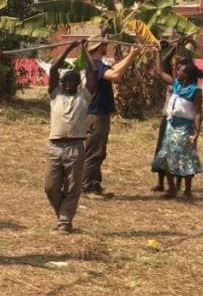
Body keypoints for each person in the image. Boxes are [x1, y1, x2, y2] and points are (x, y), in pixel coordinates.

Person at [44, 40, 96, 234]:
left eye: (72, 82)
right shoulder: (55, 95)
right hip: (54, 147)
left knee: (73, 188)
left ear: (78, 84)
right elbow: (53, 70)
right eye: (65, 81)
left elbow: (93, 72)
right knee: (50, 187)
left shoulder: (84, 97)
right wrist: (68, 48)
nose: (67, 84)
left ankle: (64, 221)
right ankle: (62, 214)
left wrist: (84, 50)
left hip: (75, 147)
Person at [81, 42, 139, 198]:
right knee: (94, 152)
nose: (106, 46)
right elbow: (115, 75)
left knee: (98, 151)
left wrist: (131, 55)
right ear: (98, 47)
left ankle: (95, 185)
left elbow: (114, 69)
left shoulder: (98, 64)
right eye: (104, 44)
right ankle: (87, 187)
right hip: (96, 115)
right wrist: (132, 55)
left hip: (99, 114)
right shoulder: (95, 65)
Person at [152, 62, 203, 198]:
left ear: (186, 74)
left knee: (186, 157)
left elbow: (198, 113)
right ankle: (172, 188)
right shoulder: (176, 85)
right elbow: (159, 72)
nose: (177, 72)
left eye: (180, 70)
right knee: (166, 156)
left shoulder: (195, 90)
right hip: (171, 126)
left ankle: (187, 190)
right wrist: (157, 53)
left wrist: (196, 132)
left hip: (185, 128)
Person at [151, 41, 192, 192]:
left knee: (180, 153)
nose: (176, 68)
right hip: (167, 119)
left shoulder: (188, 86)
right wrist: (173, 47)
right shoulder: (173, 81)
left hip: (182, 123)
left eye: (180, 67)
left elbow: (161, 70)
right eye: (176, 66)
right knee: (162, 150)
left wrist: (178, 48)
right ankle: (162, 183)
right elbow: (162, 66)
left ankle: (178, 186)